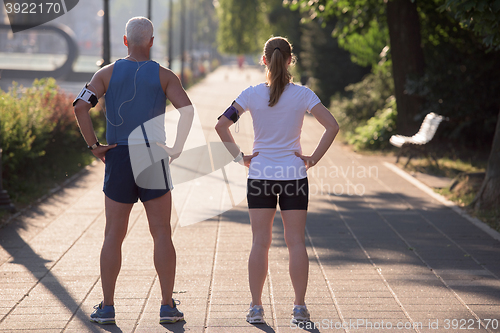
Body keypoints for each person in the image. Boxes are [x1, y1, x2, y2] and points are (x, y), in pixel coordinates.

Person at [73, 17, 194, 325]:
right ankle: (167, 306)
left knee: (113, 234)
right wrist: (176, 147)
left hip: (119, 156)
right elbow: (187, 110)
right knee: (162, 233)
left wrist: (94, 146)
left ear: (125, 41)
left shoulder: (106, 74)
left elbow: (79, 107)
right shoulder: (165, 75)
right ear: (151, 41)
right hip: (153, 154)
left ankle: (108, 307)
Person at [215, 36, 339, 324]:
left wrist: (239, 158)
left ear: (264, 60)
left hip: (259, 175)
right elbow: (332, 126)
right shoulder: (304, 95)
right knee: (296, 242)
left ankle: (256, 308)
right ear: (290, 60)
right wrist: (313, 158)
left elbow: (221, 125)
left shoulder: (250, 94)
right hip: (294, 174)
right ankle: (299, 308)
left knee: (260, 242)